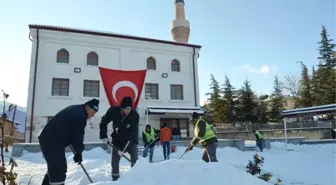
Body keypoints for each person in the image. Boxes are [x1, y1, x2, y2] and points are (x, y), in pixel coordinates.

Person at [38, 99, 99, 185]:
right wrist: (79, 152)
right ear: (87, 107)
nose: (92, 116)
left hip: (51, 139)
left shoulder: (77, 109)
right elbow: (78, 136)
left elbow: (70, 129)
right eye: (92, 113)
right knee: (59, 169)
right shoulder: (80, 116)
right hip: (52, 141)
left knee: (55, 168)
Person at [99, 96, 140, 181]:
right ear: (121, 108)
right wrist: (103, 136)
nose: (128, 110)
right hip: (117, 140)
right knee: (114, 162)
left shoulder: (135, 115)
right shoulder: (113, 111)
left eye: (130, 108)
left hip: (130, 141)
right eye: (126, 108)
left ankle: (136, 178)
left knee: (135, 159)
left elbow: (133, 133)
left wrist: (124, 148)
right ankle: (115, 179)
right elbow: (104, 122)